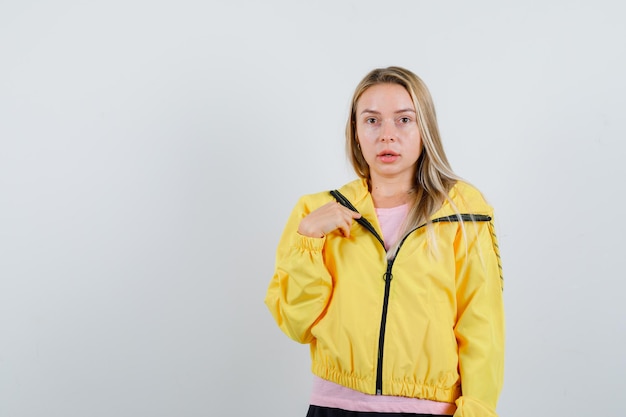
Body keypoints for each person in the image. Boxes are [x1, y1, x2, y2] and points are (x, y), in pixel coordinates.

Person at [265, 66, 505, 417]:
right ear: (356, 132)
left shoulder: (463, 213)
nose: (387, 135)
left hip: (432, 410)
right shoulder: (316, 213)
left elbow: (482, 326)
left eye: (404, 120)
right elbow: (295, 323)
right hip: (336, 407)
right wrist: (309, 241)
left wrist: (477, 411)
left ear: (425, 129)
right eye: (372, 121)